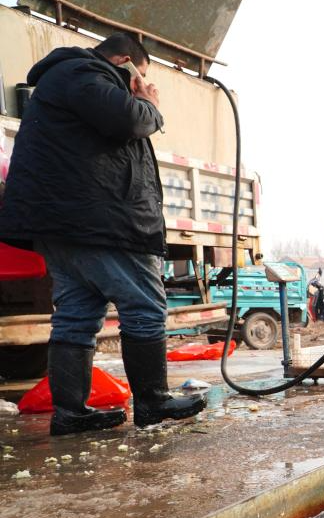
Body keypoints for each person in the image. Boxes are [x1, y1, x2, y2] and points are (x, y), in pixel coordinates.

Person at [0, 33, 206, 435]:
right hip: (98, 221)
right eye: (139, 75)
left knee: (76, 316)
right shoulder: (85, 72)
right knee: (144, 306)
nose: (140, 85)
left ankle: (70, 412)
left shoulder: (67, 81)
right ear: (126, 61)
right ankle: (152, 402)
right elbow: (131, 120)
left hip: (71, 224)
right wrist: (149, 102)